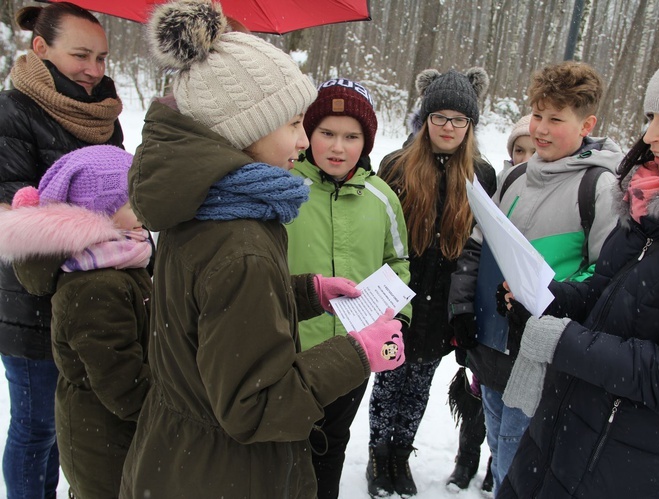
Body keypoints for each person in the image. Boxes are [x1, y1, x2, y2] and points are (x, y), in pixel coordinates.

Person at [119, 1, 405, 497]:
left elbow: (207, 310)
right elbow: (257, 406)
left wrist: (304, 292)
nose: (303, 139)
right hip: (229, 474)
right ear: (245, 128)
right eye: (295, 123)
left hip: (182, 455)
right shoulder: (240, 238)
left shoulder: (205, 205)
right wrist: (356, 354)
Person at [498, 39, 659, 499]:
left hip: (628, 468)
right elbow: (606, 295)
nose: (650, 134)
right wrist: (546, 297)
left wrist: (562, 342)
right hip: (563, 436)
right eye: (650, 116)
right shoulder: (649, 204)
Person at [448, 60, 622, 495]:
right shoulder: (514, 175)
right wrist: (463, 308)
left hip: (541, 358)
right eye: (538, 115)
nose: (540, 129)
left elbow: (606, 274)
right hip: (492, 349)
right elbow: (478, 245)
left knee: (516, 466)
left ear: (588, 124)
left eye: (556, 119)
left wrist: (545, 298)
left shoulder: (600, 186)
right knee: (499, 445)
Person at [0, 3, 123, 497]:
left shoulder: (103, 115)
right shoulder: (12, 112)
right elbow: (16, 214)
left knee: (75, 421)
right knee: (37, 427)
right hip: (30, 302)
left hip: (93, 294)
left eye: (102, 57)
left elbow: (114, 188)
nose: (94, 70)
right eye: (81, 56)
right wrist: (106, 225)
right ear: (40, 48)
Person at [367, 67, 498, 497]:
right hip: (398, 298)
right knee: (388, 381)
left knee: (418, 386)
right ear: (425, 119)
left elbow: (481, 247)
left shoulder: (481, 175)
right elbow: (377, 234)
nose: (448, 127)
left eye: (458, 119)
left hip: (442, 307)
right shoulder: (397, 166)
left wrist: (464, 312)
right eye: (439, 116)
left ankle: (401, 455)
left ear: (470, 126)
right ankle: (378, 455)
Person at [0, 146, 151, 498]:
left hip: (114, 433)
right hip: (105, 442)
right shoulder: (96, 285)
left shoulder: (122, 258)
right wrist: (170, 411)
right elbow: (121, 383)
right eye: (133, 201)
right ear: (101, 212)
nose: (145, 208)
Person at [286, 78, 411, 499]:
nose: (338, 147)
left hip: (354, 354)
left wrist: (395, 315)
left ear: (367, 142)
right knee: (285, 449)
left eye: (351, 137)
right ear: (308, 132)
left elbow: (398, 262)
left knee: (331, 446)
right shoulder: (285, 188)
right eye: (327, 133)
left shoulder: (381, 197)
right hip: (292, 352)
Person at [445, 112, 536, 492]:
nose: (527, 156)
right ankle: (467, 459)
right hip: (486, 332)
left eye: (534, 149)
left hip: (521, 341)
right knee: (477, 400)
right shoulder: (504, 189)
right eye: (520, 149)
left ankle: (493, 471)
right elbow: (474, 254)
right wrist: (463, 310)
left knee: (510, 435)